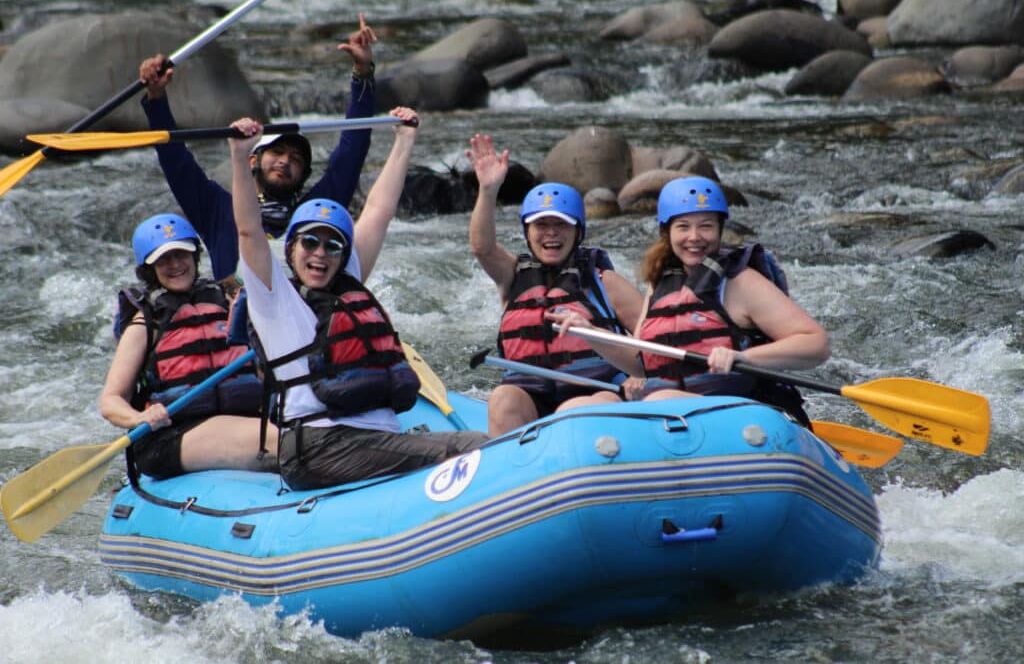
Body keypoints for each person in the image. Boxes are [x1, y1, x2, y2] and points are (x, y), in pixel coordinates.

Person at [228, 108, 488, 491]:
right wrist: (239, 155)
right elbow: (249, 230)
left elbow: (379, 212)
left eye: (332, 245)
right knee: (478, 450)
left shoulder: (344, 282)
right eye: (310, 243)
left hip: (371, 440)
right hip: (320, 445)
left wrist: (403, 142)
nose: (320, 253)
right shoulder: (274, 299)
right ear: (292, 247)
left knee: (481, 445)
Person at [548, 175, 830, 425]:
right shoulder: (661, 284)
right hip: (675, 414)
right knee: (576, 408)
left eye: (705, 226)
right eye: (683, 227)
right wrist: (593, 333)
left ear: (720, 230)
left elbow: (816, 343)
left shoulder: (740, 282)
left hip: (742, 414)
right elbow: (642, 363)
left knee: (660, 402)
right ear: (667, 232)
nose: (694, 237)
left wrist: (743, 356)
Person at [138, 13, 379, 283]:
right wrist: (156, 99)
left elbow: (352, 150)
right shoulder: (217, 209)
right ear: (253, 161)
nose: (285, 161)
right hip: (236, 318)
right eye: (277, 152)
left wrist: (362, 73)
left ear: (305, 174)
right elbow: (176, 161)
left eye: (296, 158)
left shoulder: (314, 211)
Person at [466, 134, 644, 436]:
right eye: (541, 225)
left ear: (578, 232)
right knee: (502, 398)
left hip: (596, 392)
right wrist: (488, 190)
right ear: (527, 231)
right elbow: (482, 248)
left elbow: (652, 338)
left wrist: (639, 376)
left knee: (571, 412)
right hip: (530, 395)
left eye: (561, 224)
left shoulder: (605, 282)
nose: (551, 234)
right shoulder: (513, 276)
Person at [99, 213, 277, 479]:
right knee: (288, 443)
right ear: (149, 269)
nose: (175, 265)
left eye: (181, 254)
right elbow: (111, 401)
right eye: (164, 259)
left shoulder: (228, 303)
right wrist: (139, 419)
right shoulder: (146, 323)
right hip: (172, 436)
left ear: (195, 256)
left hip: (243, 421)